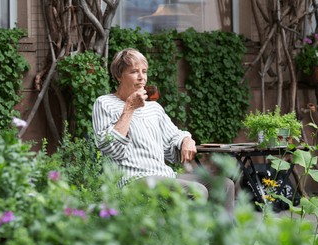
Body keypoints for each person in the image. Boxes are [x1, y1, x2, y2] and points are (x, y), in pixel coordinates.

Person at [92, 48, 235, 217]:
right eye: (134, 72)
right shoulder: (104, 104)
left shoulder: (153, 108)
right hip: (132, 179)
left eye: (144, 71)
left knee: (225, 185)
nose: (141, 77)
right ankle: (188, 243)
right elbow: (110, 148)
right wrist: (129, 108)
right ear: (118, 75)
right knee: (197, 191)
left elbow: (174, 135)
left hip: (164, 175)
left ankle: (222, 244)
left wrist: (186, 139)